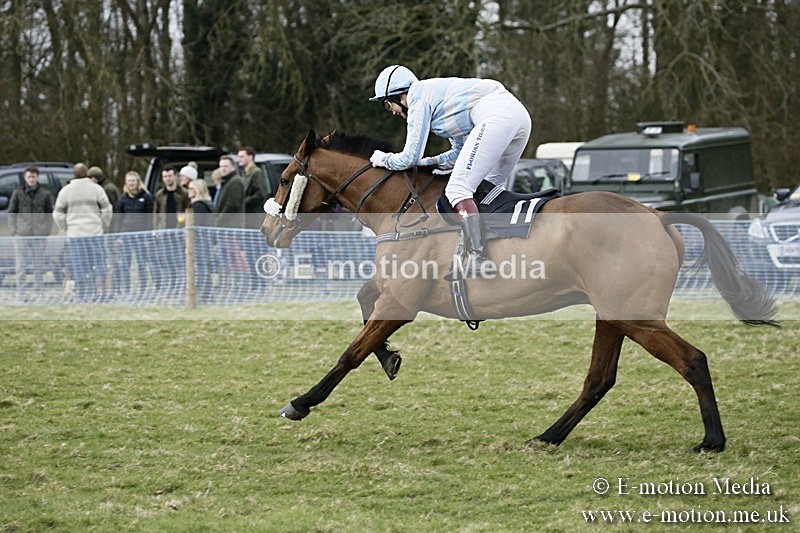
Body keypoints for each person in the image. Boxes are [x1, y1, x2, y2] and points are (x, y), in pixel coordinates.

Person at [368, 65, 532, 273]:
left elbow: (409, 158)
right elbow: (458, 153)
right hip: (518, 117)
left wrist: (383, 159)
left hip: (497, 116)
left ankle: (476, 257)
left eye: (387, 105)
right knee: (486, 189)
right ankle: (503, 249)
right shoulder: (440, 101)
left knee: (457, 190)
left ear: (398, 95)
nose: (392, 112)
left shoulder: (418, 99)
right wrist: (429, 163)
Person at [53, 163, 113, 302]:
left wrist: (66, 226)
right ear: (87, 173)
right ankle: (102, 293)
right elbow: (107, 209)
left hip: (75, 234)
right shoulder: (97, 189)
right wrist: (103, 224)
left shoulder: (66, 191)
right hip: (95, 233)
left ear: (73, 174)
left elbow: (57, 213)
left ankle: (83, 294)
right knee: (99, 264)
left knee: (79, 264)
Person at [8, 166, 54, 301]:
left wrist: (46, 232)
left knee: (38, 266)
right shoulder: (17, 193)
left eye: (34, 177)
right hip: (22, 234)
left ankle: (39, 293)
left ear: (37, 177)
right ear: (25, 178)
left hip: (39, 235)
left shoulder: (45, 194)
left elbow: (49, 214)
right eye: (29, 177)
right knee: (21, 265)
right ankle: (21, 294)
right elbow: (12, 212)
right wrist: (13, 231)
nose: (31, 179)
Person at [152, 166, 189, 301]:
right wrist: (155, 230)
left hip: (180, 232)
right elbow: (156, 214)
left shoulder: (184, 193)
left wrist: (186, 228)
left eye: (170, 176)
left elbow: (189, 211)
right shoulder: (159, 195)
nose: (168, 179)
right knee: (168, 261)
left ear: (175, 176)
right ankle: (172, 286)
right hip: (165, 232)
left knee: (182, 260)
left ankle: (185, 287)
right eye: (165, 176)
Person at [114, 171, 154, 297]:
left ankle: (143, 289)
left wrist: (147, 237)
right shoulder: (122, 198)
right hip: (126, 235)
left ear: (138, 182)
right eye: (129, 181)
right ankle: (126, 288)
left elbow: (150, 218)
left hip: (141, 236)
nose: (131, 183)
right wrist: (117, 236)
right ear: (126, 183)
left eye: (133, 180)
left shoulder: (146, 197)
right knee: (125, 263)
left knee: (142, 263)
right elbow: (118, 219)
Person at [215, 155, 247, 298]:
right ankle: (231, 287)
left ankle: (240, 288)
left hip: (231, 228)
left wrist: (218, 221)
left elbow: (232, 205)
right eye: (221, 166)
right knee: (227, 260)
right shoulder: (227, 182)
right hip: (225, 228)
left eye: (226, 166)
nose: (223, 169)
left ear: (233, 167)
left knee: (235, 259)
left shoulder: (235, 182)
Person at [186, 177, 216, 304]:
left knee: (202, 270)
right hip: (206, 240)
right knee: (204, 270)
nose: (189, 191)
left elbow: (195, 225)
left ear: (198, 190)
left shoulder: (198, 206)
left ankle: (204, 296)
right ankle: (206, 295)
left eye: (191, 188)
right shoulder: (207, 204)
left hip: (200, 242)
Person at [238, 146, 268, 223]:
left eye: (242, 156)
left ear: (250, 157)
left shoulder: (257, 172)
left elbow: (261, 194)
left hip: (255, 215)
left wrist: (244, 201)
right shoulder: (244, 173)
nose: (239, 159)